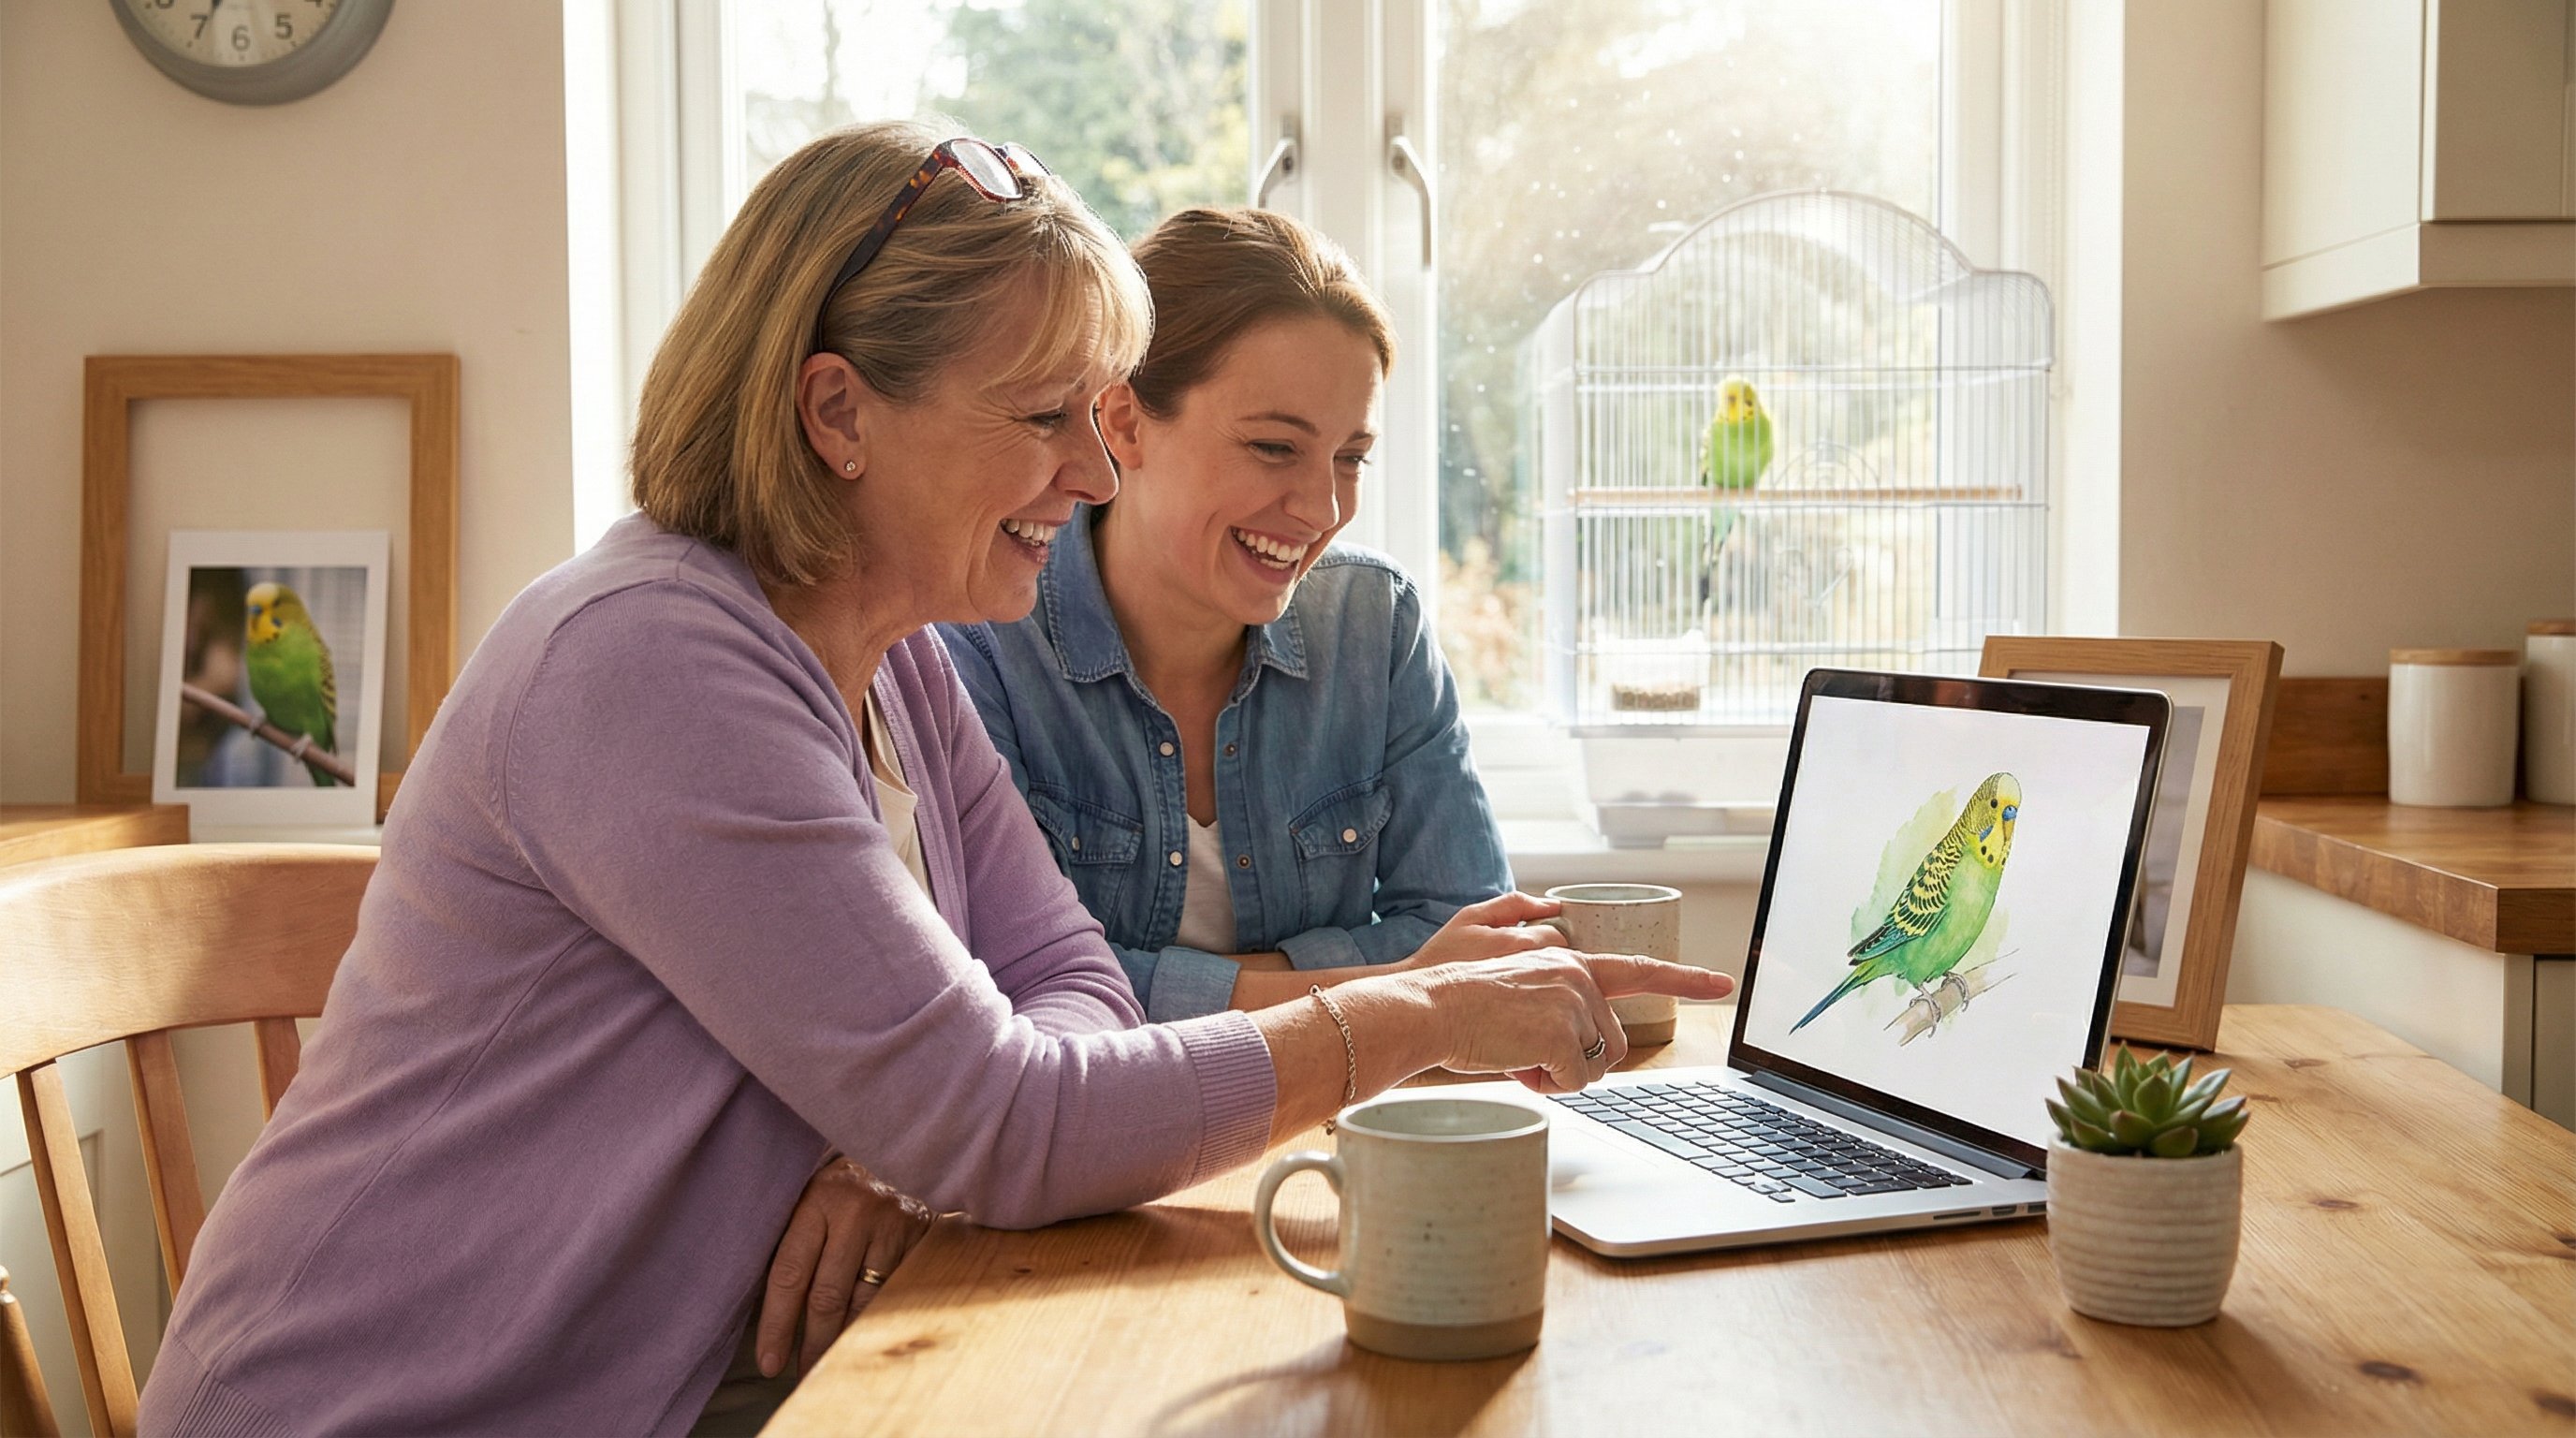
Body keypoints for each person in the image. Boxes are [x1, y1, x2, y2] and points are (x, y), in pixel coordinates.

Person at [137, 122, 1729, 1436]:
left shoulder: (884, 643)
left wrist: (935, 1136)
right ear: (837, 410)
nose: (1096, 475)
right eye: (1047, 418)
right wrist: (1413, 1013)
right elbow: (1009, 1115)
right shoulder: (653, 664)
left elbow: (1066, 985)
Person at [941, 208, 1552, 1023]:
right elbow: (992, 978)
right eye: (1273, 447)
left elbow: (1470, 937)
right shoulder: (980, 641)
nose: (1322, 507)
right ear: (1122, 421)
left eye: (1350, 457)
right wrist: (1368, 991)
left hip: (1333, 1126)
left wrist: (1173, 989)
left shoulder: (1374, 624)